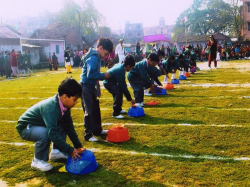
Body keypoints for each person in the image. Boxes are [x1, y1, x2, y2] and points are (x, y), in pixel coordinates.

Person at [16, 78, 85, 172]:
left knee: (63, 124)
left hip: (38, 124)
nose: (75, 103)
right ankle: (37, 160)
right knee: (45, 133)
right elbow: (52, 133)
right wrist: (70, 150)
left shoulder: (64, 107)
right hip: (25, 127)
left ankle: (56, 152)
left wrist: (78, 146)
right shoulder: (51, 108)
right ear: (65, 97)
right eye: (74, 99)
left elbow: (69, 128)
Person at [80, 37, 112, 142]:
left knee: (95, 109)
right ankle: (88, 134)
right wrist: (103, 75)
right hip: (86, 87)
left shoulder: (97, 58)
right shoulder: (93, 58)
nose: (106, 56)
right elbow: (90, 74)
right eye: (106, 54)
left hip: (91, 86)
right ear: (100, 48)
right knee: (89, 111)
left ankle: (97, 130)